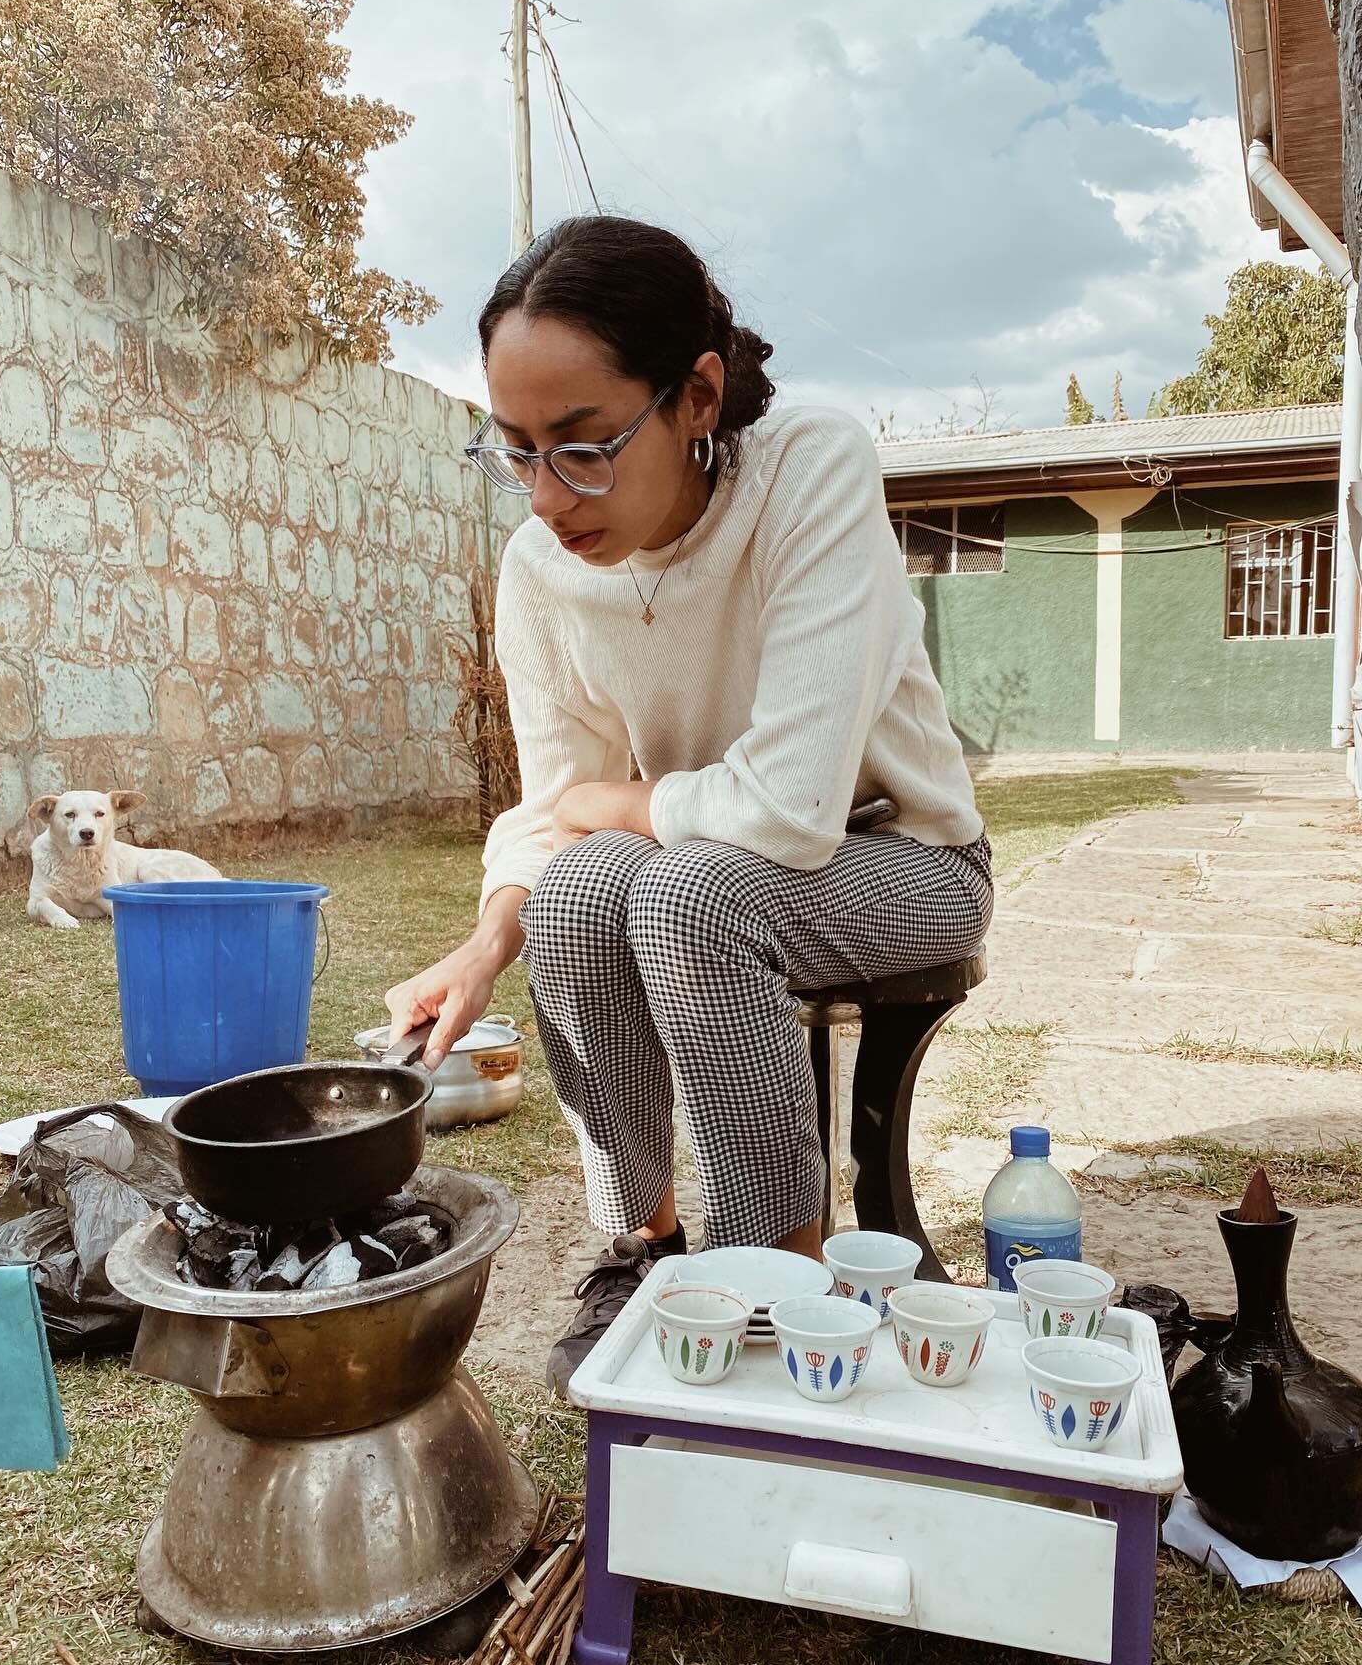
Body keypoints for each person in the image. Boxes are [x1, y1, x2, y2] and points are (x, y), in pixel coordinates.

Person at [384, 216, 991, 1397]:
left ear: (698, 396)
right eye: (515, 450)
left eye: (585, 447)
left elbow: (792, 810)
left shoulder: (808, 469)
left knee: (690, 899)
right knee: (579, 892)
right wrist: (483, 944)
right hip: (696, 861)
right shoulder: (540, 569)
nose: (550, 498)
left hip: (905, 860)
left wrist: (620, 799)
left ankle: (785, 1281)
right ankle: (644, 1246)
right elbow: (563, 814)